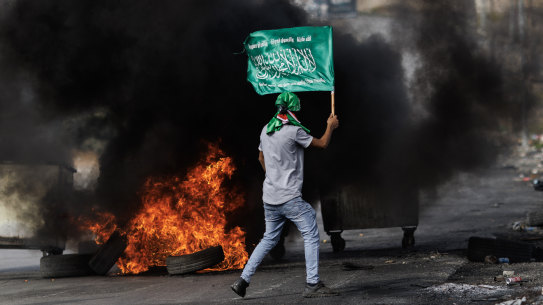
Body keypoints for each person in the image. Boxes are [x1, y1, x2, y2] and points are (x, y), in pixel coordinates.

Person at [231, 92, 339, 298]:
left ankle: (242, 280)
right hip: (289, 198)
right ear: (293, 110)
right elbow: (322, 143)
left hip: (270, 197)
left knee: (269, 238)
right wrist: (330, 126)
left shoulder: (265, 131)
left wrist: (273, 176)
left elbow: (261, 158)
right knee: (311, 233)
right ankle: (313, 283)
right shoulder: (294, 131)